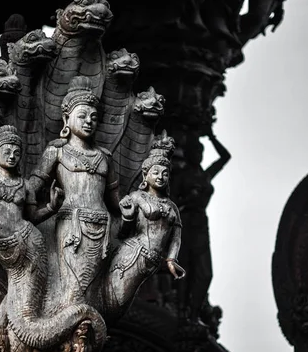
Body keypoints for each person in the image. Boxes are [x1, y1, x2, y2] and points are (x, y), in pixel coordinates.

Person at [0, 124, 63, 351]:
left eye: (16, 153)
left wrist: (51, 206)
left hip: (30, 239)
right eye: (6, 151)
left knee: (29, 290)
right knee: (15, 286)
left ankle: (32, 329)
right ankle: (13, 334)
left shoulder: (26, 185)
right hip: (3, 244)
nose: (12, 156)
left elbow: (32, 217)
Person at [29, 75, 119, 306]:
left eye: (94, 117)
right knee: (75, 289)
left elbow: (115, 202)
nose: (89, 121)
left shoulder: (104, 157)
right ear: (66, 119)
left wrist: (135, 206)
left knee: (93, 291)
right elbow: (33, 186)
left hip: (103, 228)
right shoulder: (57, 151)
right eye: (82, 116)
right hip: (72, 228)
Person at [104, 138, 185, 319]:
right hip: (133, 254)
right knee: (116, 300)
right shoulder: (137, 197)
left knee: (123, 305)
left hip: (153, 262)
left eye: (165, 174)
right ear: (145, 176)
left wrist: (171, 259)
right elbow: (122, 232)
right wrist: (128, 216)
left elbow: (176, 236)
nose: (160, 177)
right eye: (155, 172)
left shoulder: (172, 206)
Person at [171, 130, 231, 324]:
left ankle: (194, 311)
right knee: (186, 266)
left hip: (201, 222)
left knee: (205, 272)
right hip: (186, 220)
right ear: (188, 154)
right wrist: (189, 199)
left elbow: (225, 157)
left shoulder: (205, 175)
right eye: (195, 151)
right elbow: (171, 202)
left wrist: (212, 137)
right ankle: (182, 310)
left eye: (201, 151)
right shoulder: (181, 176)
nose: (199, 155)